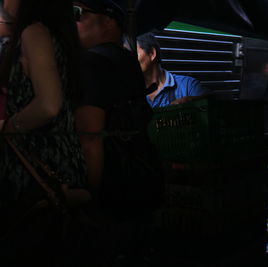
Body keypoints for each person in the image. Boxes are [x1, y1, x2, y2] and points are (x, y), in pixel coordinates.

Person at [73, 0, 164, 265]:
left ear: (109, 22)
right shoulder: (126, 61)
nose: (73, 22)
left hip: (110, 192)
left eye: (79, 14)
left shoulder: (91, 63)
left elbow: (90, 139)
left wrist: (88, 197)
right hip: (139, 180)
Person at [0, 0, 90, 266]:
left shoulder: (33, 32)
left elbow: (49, 105)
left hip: (36, 172)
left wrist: (8, 126)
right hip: (59, 166)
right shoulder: (57, 35)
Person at [136, 31, 211, 108]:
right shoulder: (133, 94)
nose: (129, 59)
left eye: (134, 54)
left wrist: (190, 101)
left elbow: (213, 101)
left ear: (152, 53)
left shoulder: (188, 86)